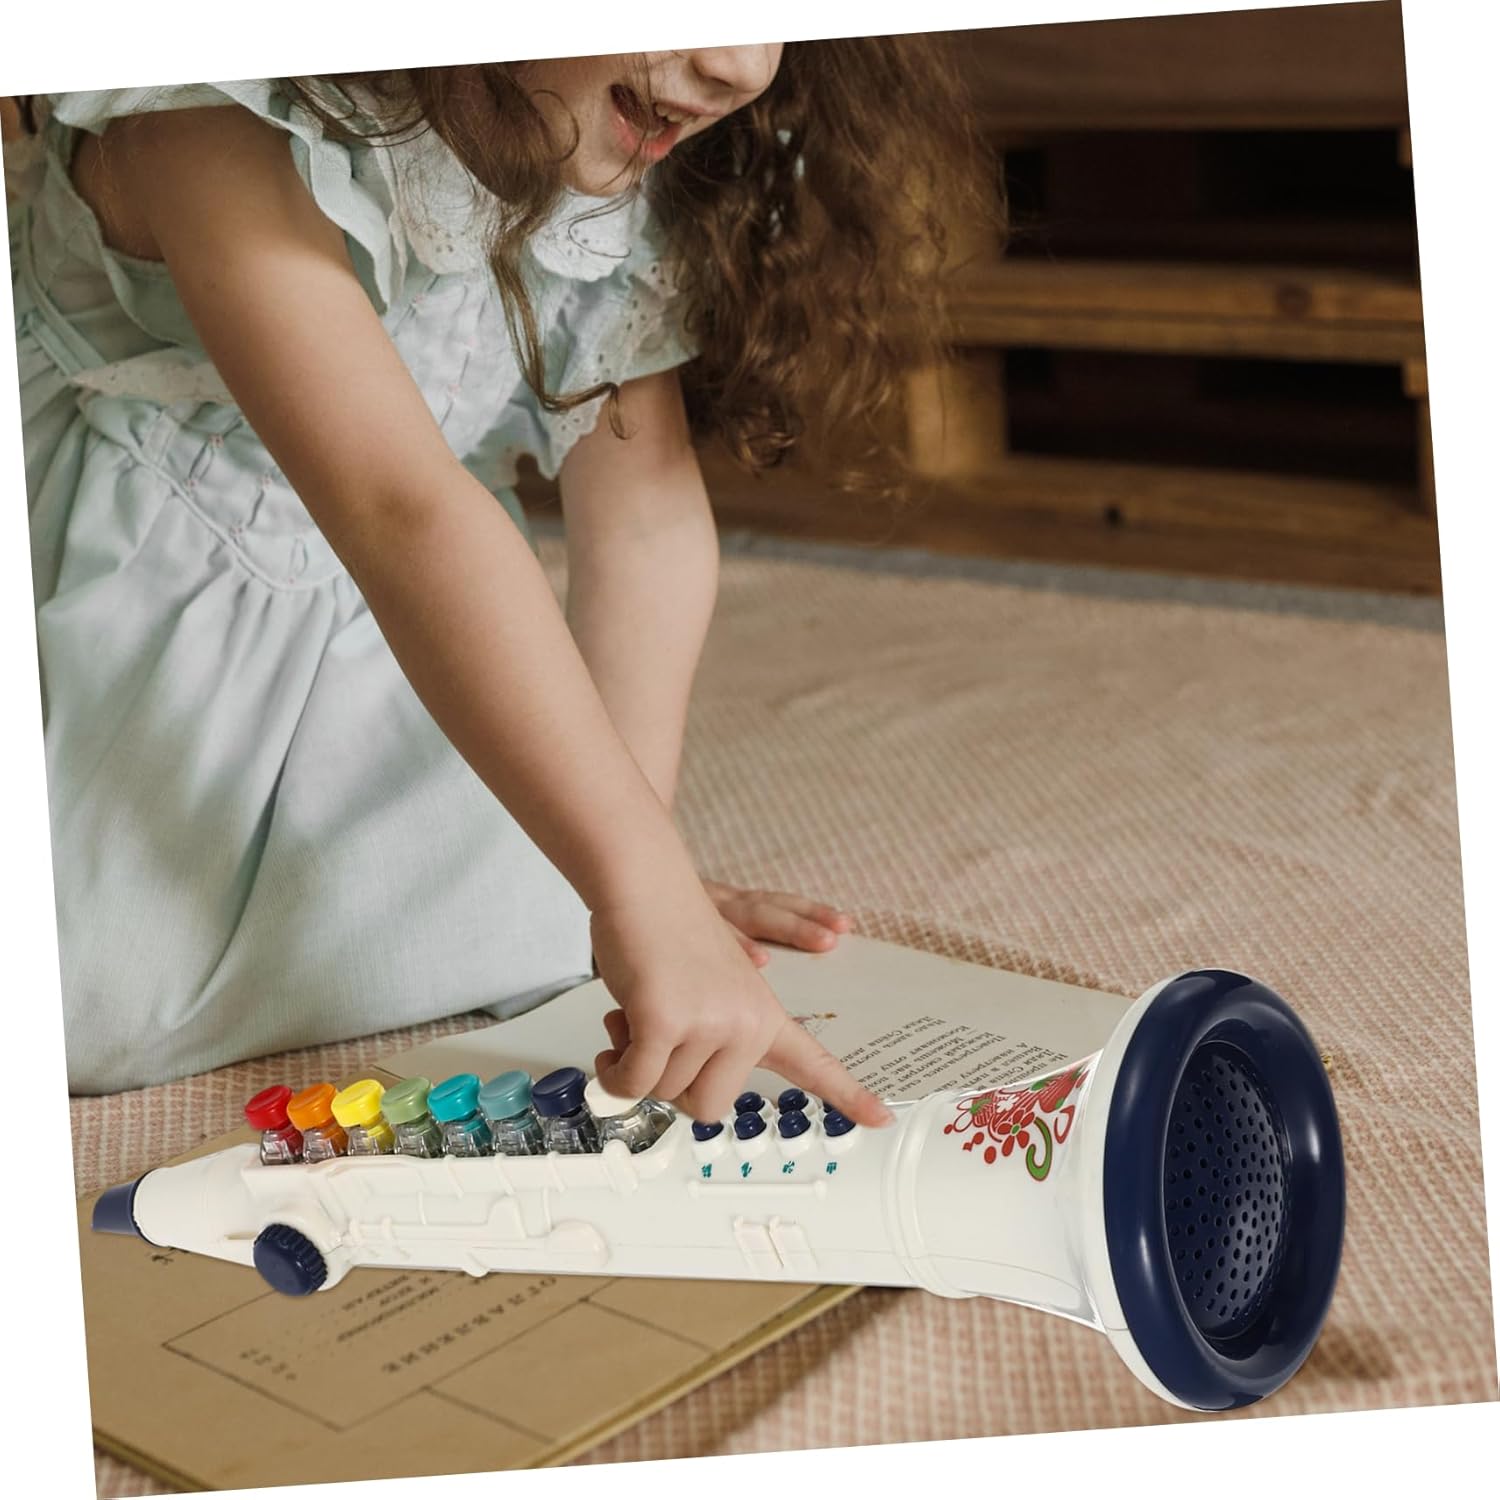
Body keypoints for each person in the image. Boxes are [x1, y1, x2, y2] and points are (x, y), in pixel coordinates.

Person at [8, 44, 987, 1109]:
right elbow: (397, 508)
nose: (740, 65)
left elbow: (645, 524)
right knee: (96, 988)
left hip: (427, 629)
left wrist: (640, 879)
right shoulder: (205, 110)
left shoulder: (596, 159)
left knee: (548, 910)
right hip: (133, 638)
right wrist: (637, 889)